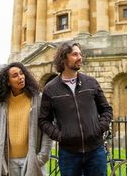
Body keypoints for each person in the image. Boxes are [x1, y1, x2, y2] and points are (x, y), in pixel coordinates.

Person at [39, 42, 113, 176]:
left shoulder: (91, 82)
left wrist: (99, 128)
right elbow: (44, 120)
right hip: (69, 154)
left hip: (95, 151)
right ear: (63, 59)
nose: (80, 57)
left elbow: (106, 109)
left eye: (80, 54)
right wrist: (60, 135)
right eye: (74, 54)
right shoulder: (50, 89)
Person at [0, 62, 52, 176]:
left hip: (32, 160)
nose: (20, 77)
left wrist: (42, 157)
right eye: (15, 76)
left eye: (21, 73)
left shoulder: (38, 99)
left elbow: (47, 128)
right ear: (8, 82)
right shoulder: (1, 103)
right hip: (9, 162)